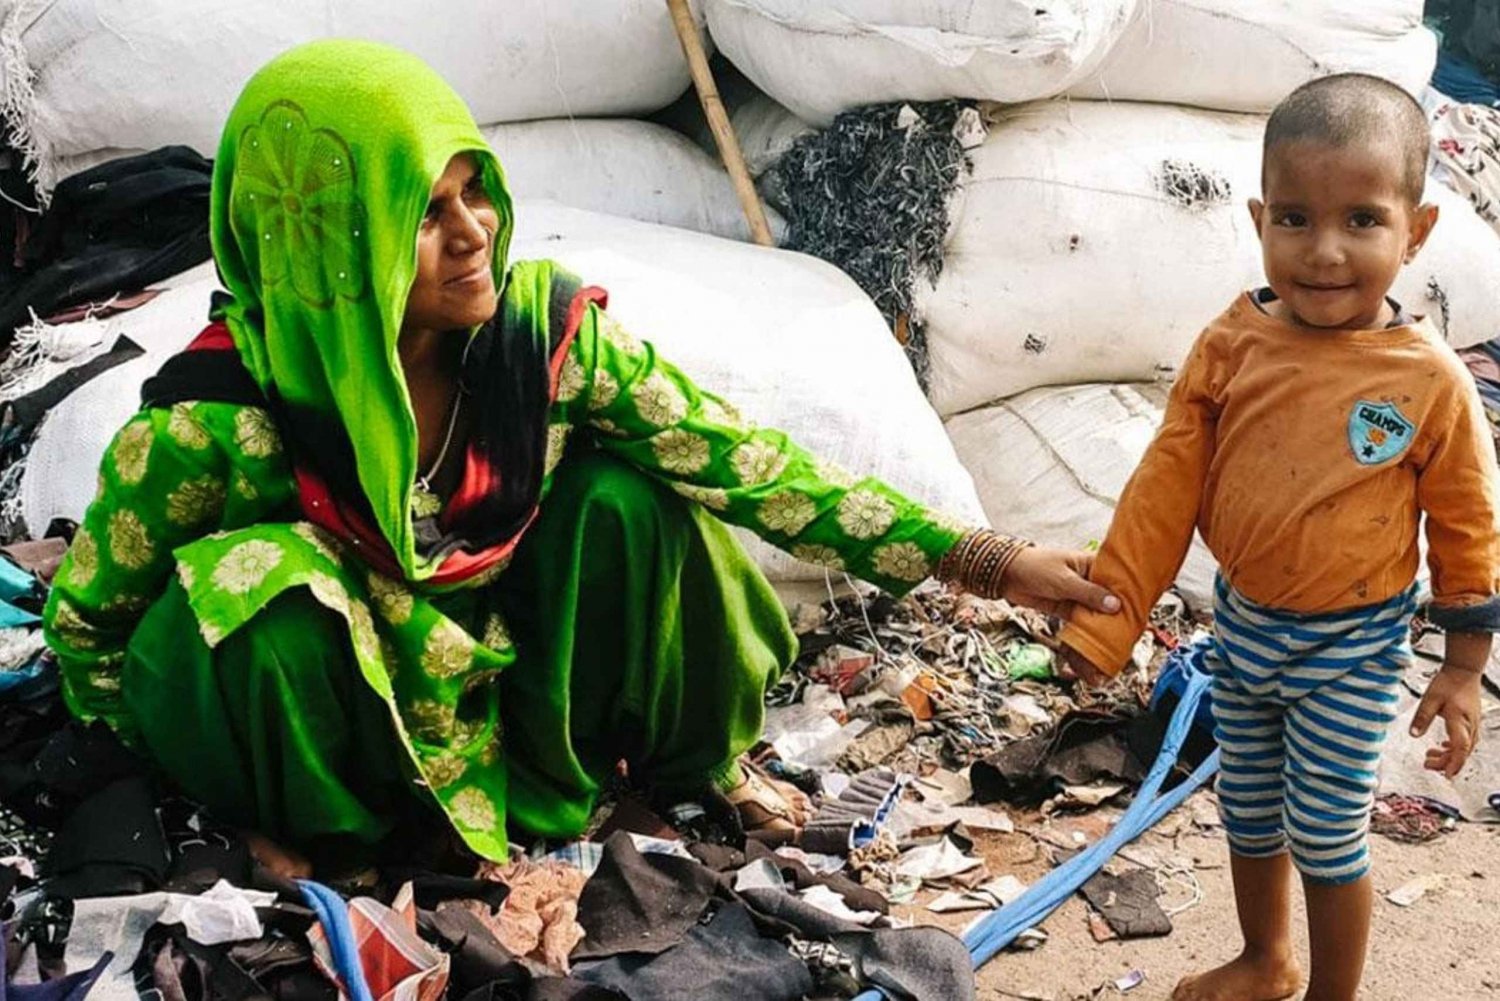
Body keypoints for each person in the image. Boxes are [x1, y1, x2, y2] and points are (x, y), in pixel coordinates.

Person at [42, 40, 1118, 877]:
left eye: (475, 189)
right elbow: (93, 627)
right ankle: (329, 838)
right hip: (355, 726)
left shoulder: (537, 339)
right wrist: (189, 782)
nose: (473, 231)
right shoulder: (215, 420)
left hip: (512, 690)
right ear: (324, 235)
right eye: (421, 210)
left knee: (630, 500)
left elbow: (747, 464)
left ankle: (683, 764)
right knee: (252, 594)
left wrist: (985, 559)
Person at [1060, 74, 1499, 1001]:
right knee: (1251, 815)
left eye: (1363, 221)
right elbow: (1165, 481)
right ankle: (1268, 959)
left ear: (1416, 231)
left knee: (1328, 832)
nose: (1325, 251)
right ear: (1259, 218)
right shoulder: (1235, 342)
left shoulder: (1429, 380)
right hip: (1245, 626)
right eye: (1294, 218)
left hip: (1353, 646)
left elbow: (1468, 527)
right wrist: (1109, 618)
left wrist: (1463, 665)